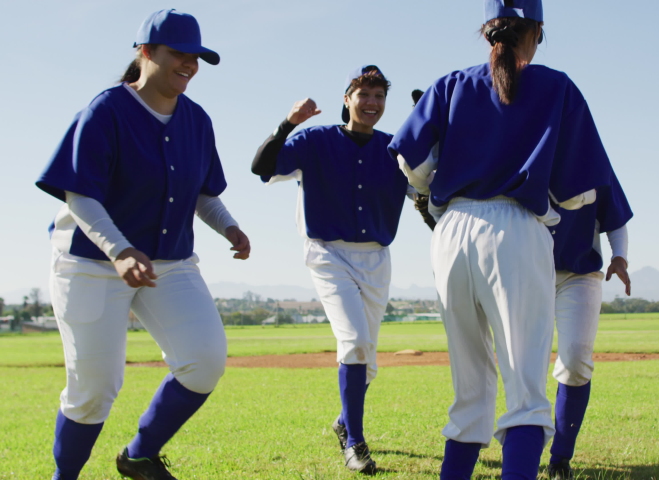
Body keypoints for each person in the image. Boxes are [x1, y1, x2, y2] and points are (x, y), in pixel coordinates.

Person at [389, 1, 615, 478]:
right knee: (527, 393)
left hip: (451, 233)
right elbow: (581, 193)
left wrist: (436, 195)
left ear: (487, 32)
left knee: (470, 391)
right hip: (515, 229)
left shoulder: (452, 83)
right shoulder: (556, 86)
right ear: (537, 32)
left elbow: (408, 164)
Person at [35, 9, 250, 480]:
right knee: (94, 390)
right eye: (179, 54)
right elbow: (80, 194)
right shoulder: (106, 109)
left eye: (196, 57)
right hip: (91, 260)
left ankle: (138, 456)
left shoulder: (197, 120)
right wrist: (118, 249)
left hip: (169, 261)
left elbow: (202, 193)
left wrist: (229, 227)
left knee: (205, 360)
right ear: (146, 52)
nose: (189, 65)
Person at [250, 65, 409, 474]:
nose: (371, 102)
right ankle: (355, 443)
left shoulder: (394, 149)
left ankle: (344, 422)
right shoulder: (315, 140)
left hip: (376, 258)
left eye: (378, 96)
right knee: (354, 341)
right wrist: (287, 124)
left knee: (367, 359)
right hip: (327, 252)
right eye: (364, 94)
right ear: (347, 98)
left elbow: (430, 189)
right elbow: (262, 167)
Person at [546, 181, 632, 480]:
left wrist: (619, 256)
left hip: (581, 273)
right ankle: (523, 449)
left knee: (575, 360)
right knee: (524, 363)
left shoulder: (592, 157)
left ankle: (560, 458)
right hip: (527, 269)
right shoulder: (525, 144)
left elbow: (615, 216)